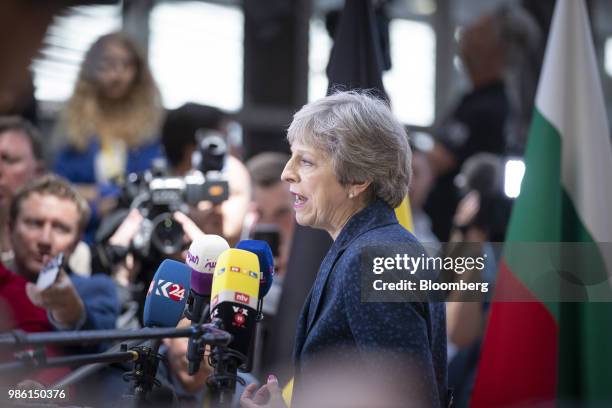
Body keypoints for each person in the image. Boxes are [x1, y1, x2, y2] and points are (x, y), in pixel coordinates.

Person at [240, 91, 448, 407]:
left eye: (306, 161)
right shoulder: (366, 247)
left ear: (358, 178)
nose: (287, 173)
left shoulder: (377, 257)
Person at [53, 31, 164, 241]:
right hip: (81, 237)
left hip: (135, 235)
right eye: (108, 64)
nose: (118, 74)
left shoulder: (149, 128)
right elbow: (58, 188)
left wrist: (94, 192)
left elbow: (153, 184)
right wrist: (98, 206)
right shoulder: (74, 127)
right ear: (91, 69)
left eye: (126, 65)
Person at [8, 175, 119, 334]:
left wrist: (71, 312)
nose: (45, 239)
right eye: (34, 223)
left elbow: (101, 345)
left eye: (60, 228)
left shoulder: (96, 290)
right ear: (10, 228)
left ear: (76, 241)